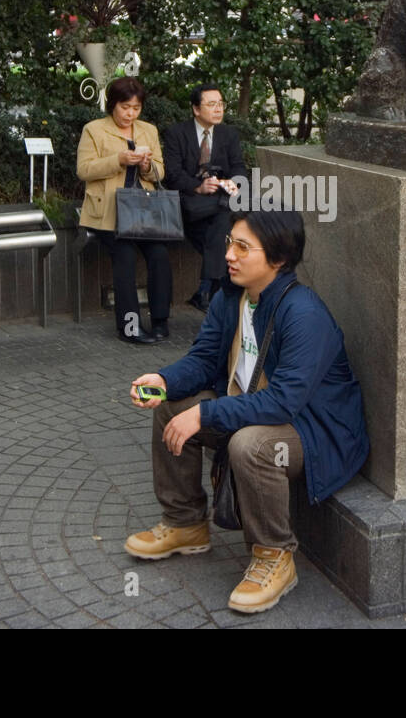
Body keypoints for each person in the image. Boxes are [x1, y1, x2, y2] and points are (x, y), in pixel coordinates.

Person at [124, 210, 370, 614]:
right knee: (172, 409)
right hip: (257, 408)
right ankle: (185, 523)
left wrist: (206, 415)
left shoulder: (303, 314)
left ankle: (275, 556)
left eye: (243, 247)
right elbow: (204, 360)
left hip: (315, 430)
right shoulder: (231, 297)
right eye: (229, 244)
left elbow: (283, 402)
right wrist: (165, 381)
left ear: (277, 259)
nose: (230, 256)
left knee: (250, 445)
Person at [78, 76, 172, 345]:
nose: (130, 114)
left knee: (159, 255)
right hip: (109, 213)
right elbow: (84, 169)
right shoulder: (94, 129)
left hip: (142, 210)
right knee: (126, 257)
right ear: (113, 105)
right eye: (125, 107)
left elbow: (160, 171)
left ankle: (160, 321)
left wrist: (145, 167)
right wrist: (118, 160)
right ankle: (129, 327)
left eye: (136, 108)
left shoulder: (148, 130)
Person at [162, 84, 247, 312]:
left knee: (221, 222)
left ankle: (206, 291)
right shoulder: (176, 133)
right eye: (211, 104)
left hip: (218, 203)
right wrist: (198, 187)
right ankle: (213, 290)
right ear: (196, 109)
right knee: (224, 231)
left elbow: (239, 166)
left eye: (221, 104)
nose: (218, 109)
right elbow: (172, 173)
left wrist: (234, 182)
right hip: (189, 202)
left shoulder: (228, 134)